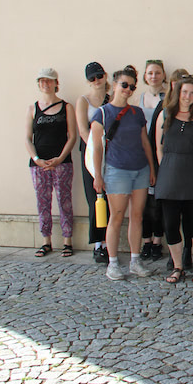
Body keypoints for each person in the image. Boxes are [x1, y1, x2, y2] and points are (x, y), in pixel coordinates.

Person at [90, 65, 156, 281]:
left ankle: (135, 260)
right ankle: (113, 262)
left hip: (140, 170)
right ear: (115, 85)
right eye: (124, 85)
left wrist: (152, 169)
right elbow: (97, 147)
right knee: (116, 217)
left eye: (131, 87)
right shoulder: (102, 113)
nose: (127, 90)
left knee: (137, 216)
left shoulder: (136, 113)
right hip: (116, 171)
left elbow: (145, 142)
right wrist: (98, 176)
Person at [155, 75, 193, 283]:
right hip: (169, 176)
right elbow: (159, 148)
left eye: (192, 92)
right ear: (177, 92)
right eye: (184, 91)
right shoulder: (165, 115)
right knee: (171, 223)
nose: (188, 96)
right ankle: (177, 266)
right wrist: (168, 168)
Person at [25, 68, 77, 258]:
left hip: (62, 162)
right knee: (42, 202)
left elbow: (72, 136)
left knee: (65, 201)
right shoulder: (33, 108)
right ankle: (46, 241)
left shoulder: (67, 107)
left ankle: (67, 241)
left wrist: (61, 158)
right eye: (41, 81)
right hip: (39, 164)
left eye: (48, 81)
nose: (45, 84)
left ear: (56, 83)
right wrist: (36, 159)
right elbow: (27, 138)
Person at [76, 62, 110, 263]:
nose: (97, 81)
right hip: (90, 153)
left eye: (99, 76)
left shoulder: (111, 98)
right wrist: (96, 148)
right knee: (95, 198)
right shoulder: (83, 101)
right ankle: (99, 244)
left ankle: (109, 241)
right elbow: (82, 129)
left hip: (111, 153)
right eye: (92, 78)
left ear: (105, 76)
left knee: (110, 198)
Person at [138, 59, 167, 262]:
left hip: (160, 152)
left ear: (163, 75)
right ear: (145, 76)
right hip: (141, 153)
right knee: (143, 202)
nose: (154, 76)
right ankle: (145, 241)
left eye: (157, 72)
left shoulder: (169, 96)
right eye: (150, 73)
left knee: (158, 201)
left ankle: (157, 240)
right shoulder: (139, 98)